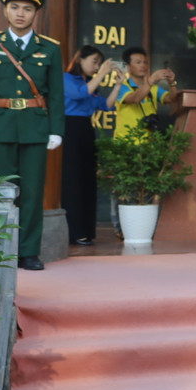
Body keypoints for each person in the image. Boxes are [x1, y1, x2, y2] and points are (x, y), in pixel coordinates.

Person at [0, 0, 66, 271]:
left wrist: (56, 129)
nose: (20, 13)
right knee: (0, 190)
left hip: (35, 128)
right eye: (15, 7)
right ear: (5, 10)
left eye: (27, 8)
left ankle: (28, 252)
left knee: (33, 193)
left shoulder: (50, 48)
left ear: (36, 13)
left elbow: (56, 94)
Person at [62, 45, 116, 246]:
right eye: (94, 62)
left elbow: (106, 105)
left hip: (86, 130)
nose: (97, 66)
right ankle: (74, 232)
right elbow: (79, 94)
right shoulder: (67, 78)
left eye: (99, 63)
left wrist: (118, 84)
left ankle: (86, 230)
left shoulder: (89, 83)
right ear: (80, 60)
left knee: (87, 180)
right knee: (72, 181)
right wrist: (102, 74)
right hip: (70, 129)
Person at [110, 46, 177, 138]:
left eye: (145, 62)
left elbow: (172, 99)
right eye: (138, 62)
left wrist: (172, 83)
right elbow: (135, 99)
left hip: (149, 142)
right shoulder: (121, 86)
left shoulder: (153, 88)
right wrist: (152, 79)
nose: (143, 65)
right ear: (128, 67)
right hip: (126, 142)